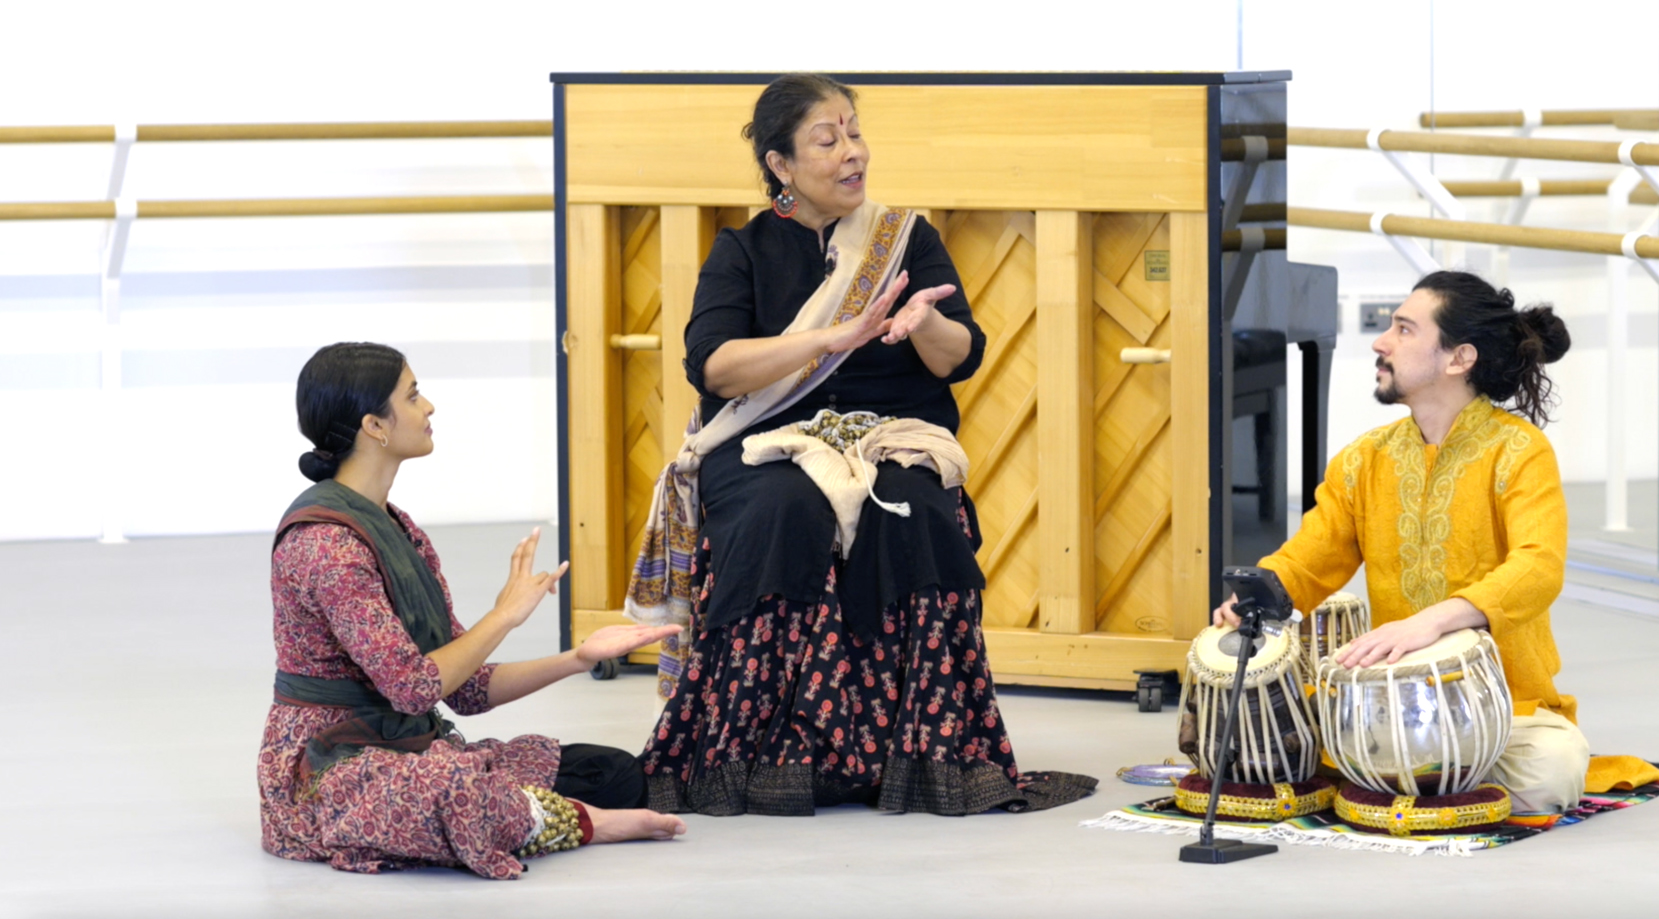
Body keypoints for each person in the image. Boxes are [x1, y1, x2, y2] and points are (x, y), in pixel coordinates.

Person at [624, 73, 1095, 817]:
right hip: (765, 440)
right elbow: (711, 366)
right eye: (828, 138)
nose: (853, 152)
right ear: (781, 165)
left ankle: (924, 756)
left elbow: (958, 356)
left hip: (891, 435)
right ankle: (762, 757)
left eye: (854, 132)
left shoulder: (906, 238)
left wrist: (921, 321)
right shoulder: (741, 251)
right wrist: (835, 337)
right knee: (783, 509)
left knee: (913, 512)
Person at [260, 342, 688, 879]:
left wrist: (578, 657)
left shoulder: (399, 528)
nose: (429, 407)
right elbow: (414, 689)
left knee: (613, 772)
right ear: (375, 425)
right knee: (458, 792)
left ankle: (531, 813)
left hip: (404, 744)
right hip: (328, 765)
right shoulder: (327, 545)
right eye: (413, 396)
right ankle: (583, 823)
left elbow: (462, 688)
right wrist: (504, 615)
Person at [1213, 270, 1590, 814]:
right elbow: (1313, 555)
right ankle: (1422, 774)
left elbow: (1539, 567)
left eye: (1404, 330)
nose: (1380, 342)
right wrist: (1256, 598)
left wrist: (1431, 622)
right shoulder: (1364, 459)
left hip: (1505, 701)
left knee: (1549, 776)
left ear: (1458, 359)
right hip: (1384, 702)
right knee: (1257, 746)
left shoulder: (1519, 451)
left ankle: (1416, 773)